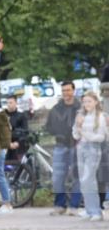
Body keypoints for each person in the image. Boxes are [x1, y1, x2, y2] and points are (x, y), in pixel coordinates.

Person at [45, 81, 83, 215]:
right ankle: (60, 205)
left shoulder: (80, 107)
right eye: (63, 91)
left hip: (76, 145)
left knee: (77, 177)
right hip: (60, 145)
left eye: (68, 90)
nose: (66, 93)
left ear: (74, 91)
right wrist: (58, 132)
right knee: (57, 177)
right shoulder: (56, 109)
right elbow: (48, 126)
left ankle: (74, 206)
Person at [73, 91, 107, 221]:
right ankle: (89, 209)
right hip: (81, 148)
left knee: (89, 179)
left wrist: (84, 133)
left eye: (89, 101)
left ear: (96, 102)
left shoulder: (100, 117)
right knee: (83, 180)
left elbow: (100, 137)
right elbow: (75, 135)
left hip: (93, 149)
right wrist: (78, 125)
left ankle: (96, 212)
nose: (86, 104)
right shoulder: (81, 116)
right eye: (85, 101)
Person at [5, 95, 31, 163]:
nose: (8, 105)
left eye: (11, 103)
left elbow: (25, 131)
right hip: (5, 145)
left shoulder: (21, 116)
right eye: (7, 103)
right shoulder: (3, 115)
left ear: (16, 103)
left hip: (18, 145)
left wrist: (18, 143)